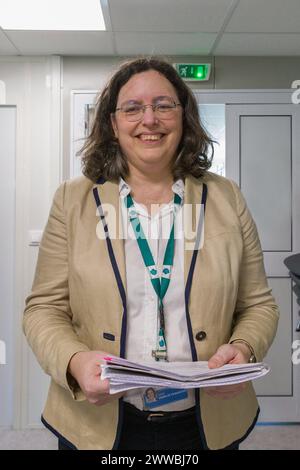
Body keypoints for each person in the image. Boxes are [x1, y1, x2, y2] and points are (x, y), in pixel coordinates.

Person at [23, 57, 279, 451]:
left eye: (163, 105)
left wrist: (243, 348)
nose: (150, 119)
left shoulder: (226, 197)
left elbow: (259, 305)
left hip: (205, 421)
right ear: (113, 123)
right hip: (99, 422)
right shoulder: (73, 200)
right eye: (133, 108)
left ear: (183, 115)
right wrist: (74, 361)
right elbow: (43, 309)